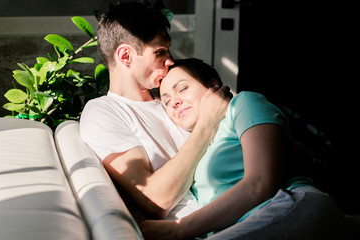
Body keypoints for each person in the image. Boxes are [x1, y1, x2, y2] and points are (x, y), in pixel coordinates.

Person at [140, 58, 350, 240]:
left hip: (288, 203)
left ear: (212, 84)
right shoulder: (194, 144)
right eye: (166, 101)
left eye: (183, 88)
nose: (174, 102)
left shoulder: (243, 104)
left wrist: (177, 231)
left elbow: (259, 184)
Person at [79, 2, 231, 221]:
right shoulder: (104, 112)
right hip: (206, 226)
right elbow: (155, 200)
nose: (170, 60)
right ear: (125, 56)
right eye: (159, 52)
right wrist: (206, 125)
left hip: (241, 203)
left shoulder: (171, 98)